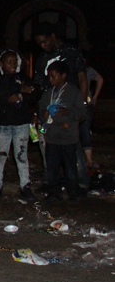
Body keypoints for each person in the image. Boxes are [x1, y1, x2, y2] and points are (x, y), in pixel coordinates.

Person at [31, 22, 89, 192]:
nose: (43, 45)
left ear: (53, 36)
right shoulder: (42, 59)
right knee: (49, 146)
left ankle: (80, 182)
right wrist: (37, 111)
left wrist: (83, 104)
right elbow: (41, 88)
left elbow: (82, 78)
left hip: (69, 105)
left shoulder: (70, 52)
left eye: (45, 41)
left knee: (73, 146)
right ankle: (51, 181)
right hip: (50, 107)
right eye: (39, 43)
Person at [0, 50, 37, 203]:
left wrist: (20, 95)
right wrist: (19, 89)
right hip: (2, 123)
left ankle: (25, 186)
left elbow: (35, 92)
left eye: (15, 62)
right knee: (0, 155)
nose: (13, 65)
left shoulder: (22, 77)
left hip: (21, 122)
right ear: (1, 63)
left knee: (21, 155)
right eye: (9, 62)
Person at [37, 61, 85, 202]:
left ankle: (73, 192)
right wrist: (43, 113)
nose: (51, 79)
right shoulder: (48, 93)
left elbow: (82, 113)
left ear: (64, 75)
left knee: (70, 167)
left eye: (54, 76)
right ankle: (54, 192)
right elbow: (40, 110)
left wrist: (67, 112)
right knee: (52, 167)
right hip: (51, 137)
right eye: (49, 77)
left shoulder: (73, 92)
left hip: (68, 137)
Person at [81, 62, 103, 169]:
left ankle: (89, 160)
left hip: (86, 104)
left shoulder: (87, 69)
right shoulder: (68, 68)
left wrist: (95, 96)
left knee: (85, 128)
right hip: (71, 105)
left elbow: (100, 79)